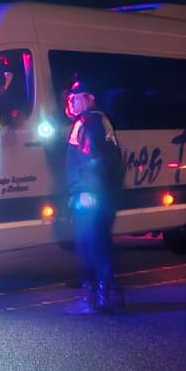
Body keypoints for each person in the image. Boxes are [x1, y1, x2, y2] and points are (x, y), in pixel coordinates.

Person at [64, 77, 125, 313]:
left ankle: (103, 291)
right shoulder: (90, 121)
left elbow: (94, 161)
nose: (71, 102)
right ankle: (99, 290)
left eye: (76, 98)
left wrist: (84, 191)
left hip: (92, 195)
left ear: (89, 99)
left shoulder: (91, 122)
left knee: (94, 242)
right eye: (70, 98)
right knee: (90, 242)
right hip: (93, 193)